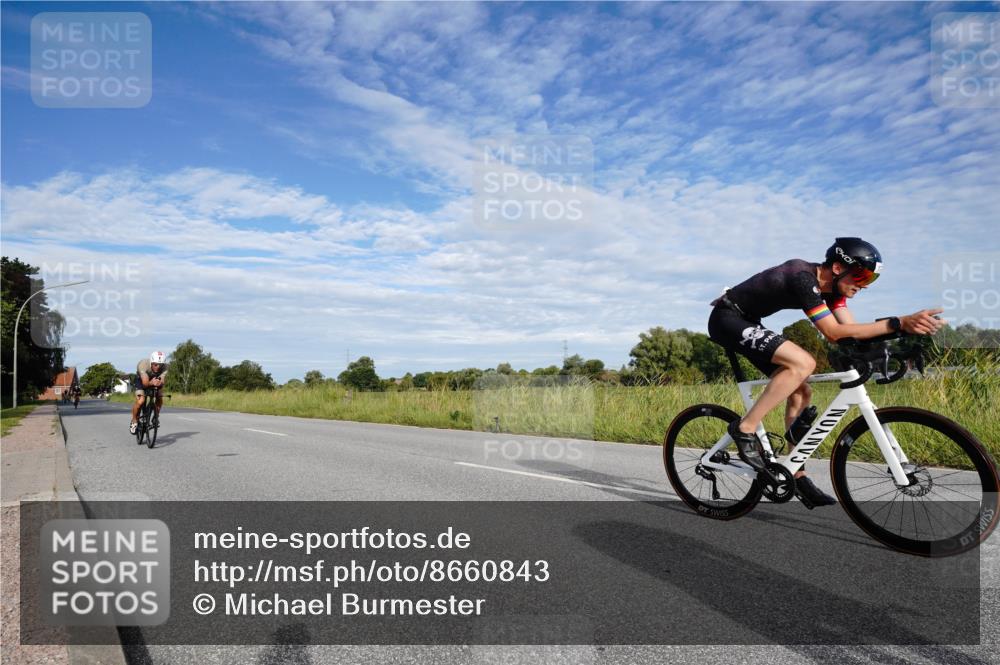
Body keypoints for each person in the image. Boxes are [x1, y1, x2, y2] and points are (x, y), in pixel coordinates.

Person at [708, 238, 944, 508]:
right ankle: (745, 428)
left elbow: (852, 333)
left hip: (750, 321)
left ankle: (796, 474)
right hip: (727, 319)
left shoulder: (835, 293)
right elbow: (833, 333)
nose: (863, 285)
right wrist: (898, 321)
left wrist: (903, 336)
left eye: (870, 279)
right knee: (803, 364)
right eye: (860, 275)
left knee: (801, 391)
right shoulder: (803, 278)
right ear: (835, 267)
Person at [130, 351, 168, 434]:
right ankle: (134, 421)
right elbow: (145, 383)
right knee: (141, 401)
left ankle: (155, 417)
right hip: (141, 381)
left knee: (159, 397)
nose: (158, 367)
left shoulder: (165, 367)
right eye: (155, 364)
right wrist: (152, 383)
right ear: (151, 362)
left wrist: (159, 383)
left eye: (160, 365)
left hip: (154, 379)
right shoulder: (143, 364)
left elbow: (162, 381)